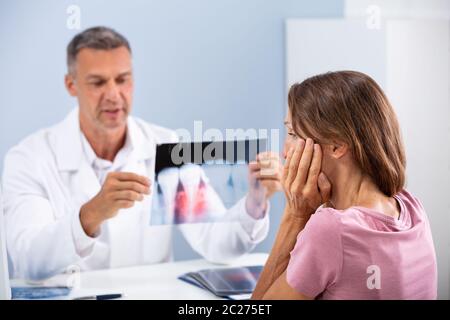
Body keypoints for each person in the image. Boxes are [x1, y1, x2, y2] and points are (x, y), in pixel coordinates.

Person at [1, 26, 282, 280]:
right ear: (71, 85)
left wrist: (256, 202)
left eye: (122, 79)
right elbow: (29, 260)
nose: (113, 94)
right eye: (98, 83)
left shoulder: (165, 146)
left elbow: (216, 242)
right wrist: (90, 214)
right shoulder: (30, 158)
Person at [252, 71, 437, 300]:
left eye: (292, 134)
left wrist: (296, 214)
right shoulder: (412, 208)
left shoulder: (331, 229)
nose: (285, 151)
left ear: (337, 146)